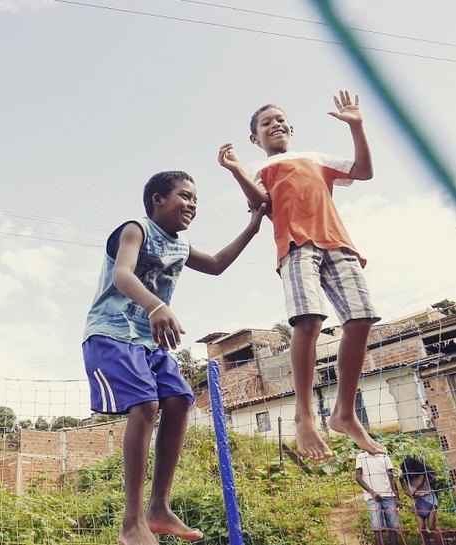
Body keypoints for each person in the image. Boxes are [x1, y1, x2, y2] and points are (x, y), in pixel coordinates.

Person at [82, 170, 266, 544]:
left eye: (196, 200)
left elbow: (215, 263)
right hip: (111, 333)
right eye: (184, 196)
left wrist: (254, 225)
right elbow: (121, 274)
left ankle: (159, 508)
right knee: (146, 405)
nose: (192, 205)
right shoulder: (136, 229)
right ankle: (132, 522)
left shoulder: (180, 246)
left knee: (181, 400)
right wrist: (155, 306)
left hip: (148, 343)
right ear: (158, 200)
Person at [218, 90, 384, 461]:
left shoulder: (316, 157)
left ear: (291, 127)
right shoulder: (258, 169)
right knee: (308, 319)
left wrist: (356, 126)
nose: (275, 124)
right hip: (295, 246)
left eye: (280, 119)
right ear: (254, 139)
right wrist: (236, 171)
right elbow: (261, 205)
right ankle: (305, 414)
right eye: (265, 123)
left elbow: (364, 171)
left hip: (338, 243)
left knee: (361, 319)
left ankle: (343, 412)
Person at [355, 443, 402, 545]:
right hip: (372, 498)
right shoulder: (360, 457)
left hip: (389, 495)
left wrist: (397, 497)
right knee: (377, 527)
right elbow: (358, 477)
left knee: (393, 527)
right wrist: (372, 492)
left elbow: (391, 477)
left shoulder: (384, 456)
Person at [401, 456, 445, 545]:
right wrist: (410, 494)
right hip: (418, 502)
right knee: (421, 529)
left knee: (432, 526)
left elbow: (433, 486)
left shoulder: (424, 474)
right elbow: (405, 488)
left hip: (430, 500)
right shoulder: (405, 477)